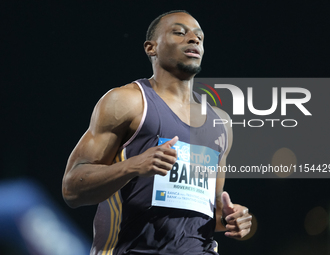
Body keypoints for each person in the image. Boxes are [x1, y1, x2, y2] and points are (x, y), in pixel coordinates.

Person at [62, 10, 252, 255]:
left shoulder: (221, 123)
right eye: (180, 33)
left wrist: (231, 218)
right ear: (151, 48)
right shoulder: (127, 102)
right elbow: (72, 189)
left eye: (199, 37)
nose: (193, 39)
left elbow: (211, 211)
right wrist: (133, 166)